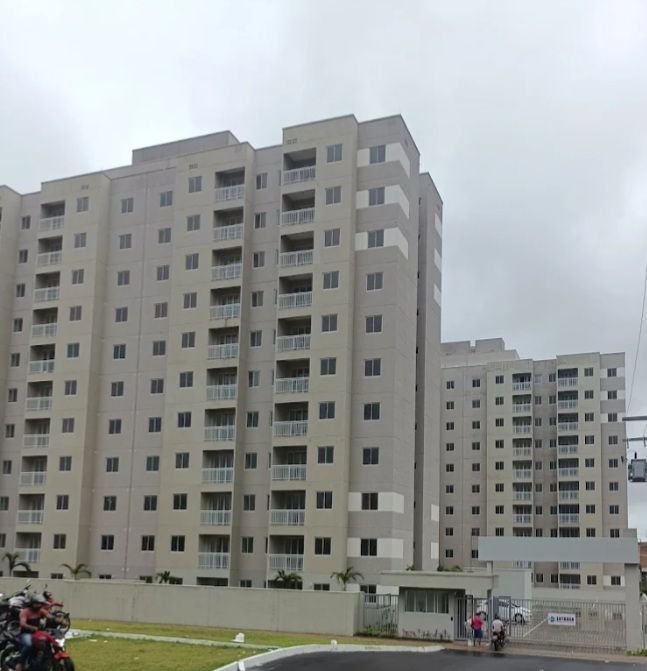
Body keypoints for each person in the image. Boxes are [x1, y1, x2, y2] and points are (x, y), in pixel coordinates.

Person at [15, 594, 49, 671]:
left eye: (40, 604)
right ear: (32, 603)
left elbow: (49, 615)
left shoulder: (40, 611)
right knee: (29, 645)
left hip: (37, 633)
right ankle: (20, 664)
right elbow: (22, 624)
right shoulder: (25, 612)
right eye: (37, 603)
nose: (39, 605)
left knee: (47, 643)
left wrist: (59, 620)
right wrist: (32, 627)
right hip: (25, 633)